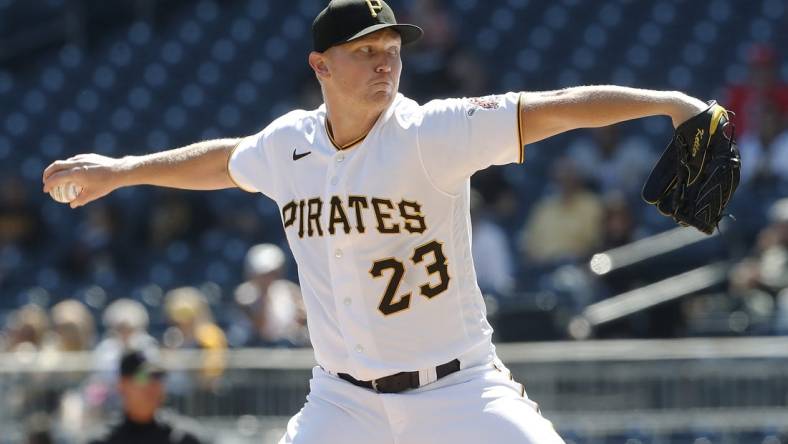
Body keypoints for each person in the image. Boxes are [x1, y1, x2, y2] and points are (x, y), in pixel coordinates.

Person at [43, 1, 712, 442]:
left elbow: (553, 108)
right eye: (366, 49)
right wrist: (123, 169)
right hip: (343, 402)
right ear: (321, 64)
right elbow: (224, 160)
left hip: (458, 388)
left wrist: (666, 104)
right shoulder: (288, 144)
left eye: (392, 46)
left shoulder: (431, 132)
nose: (385, 59)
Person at [86, 349, 203, 444]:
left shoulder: (184, 438)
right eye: (143, 377)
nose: (152, 385)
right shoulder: (103, 440)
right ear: (122, 385)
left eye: (158, 376)